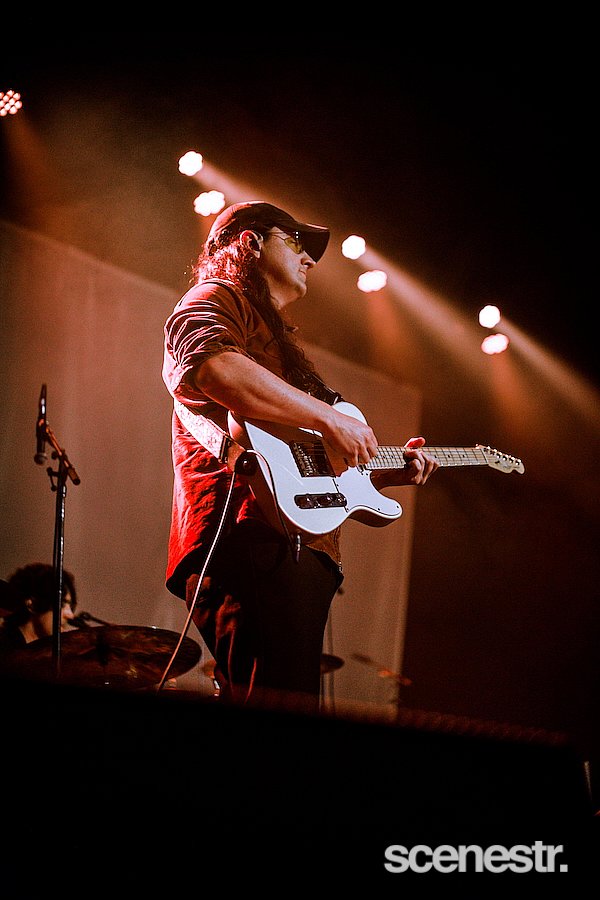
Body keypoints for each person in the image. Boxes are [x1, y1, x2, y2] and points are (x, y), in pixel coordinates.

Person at [162, 200, 438, 710]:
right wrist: (331, 418)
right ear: (249, 243)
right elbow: (213, 367)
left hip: (289, 540)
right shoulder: (216, 297)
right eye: (294, 242)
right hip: (248, 532)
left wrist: (381, 473)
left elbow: (306, 460)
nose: (310, 259)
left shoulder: (276, 344)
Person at [0, 563, 77, 655]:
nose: (70, 615)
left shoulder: (48, 654)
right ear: (32, 605)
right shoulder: (5, 649)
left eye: (70, 606)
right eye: (62, 604)